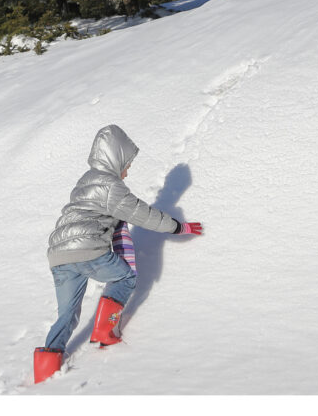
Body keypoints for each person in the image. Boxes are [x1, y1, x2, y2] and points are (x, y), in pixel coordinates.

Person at [33, 124, 203, 384]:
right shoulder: (111, 186)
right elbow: (141, 214)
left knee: (67, 314)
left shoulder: (85, 181)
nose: (128, 169)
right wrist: (178, 227)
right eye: (127, 162)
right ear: (115, 158)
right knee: (125, 277)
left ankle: (45, 370)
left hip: (58, 256)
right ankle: (104, 330)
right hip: (87, 249)